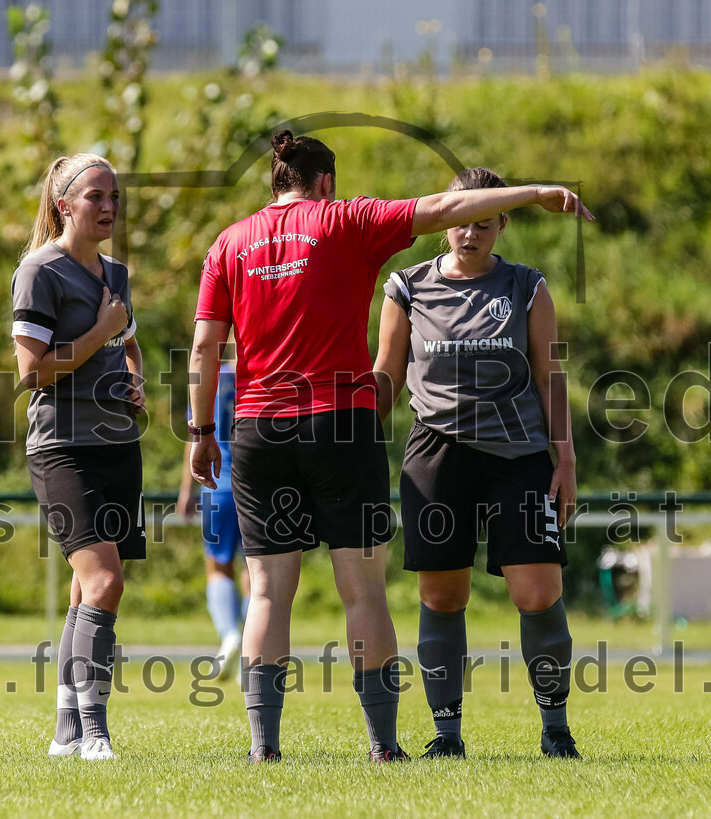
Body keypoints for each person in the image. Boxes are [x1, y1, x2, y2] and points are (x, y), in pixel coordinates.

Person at [189, 131, 592, 764]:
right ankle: (399, 741)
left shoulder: (230, 242)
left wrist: (199, 431)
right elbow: (432, 220)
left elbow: (205, 347)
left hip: (265, 427)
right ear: (326, 182)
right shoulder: (355, 231)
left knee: (268, 589)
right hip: (363, 431)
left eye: (489, 221)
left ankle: (265, 748)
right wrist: (541, 192)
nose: (470, 229)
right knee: (378, 591)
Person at [374, 167, 585, 761]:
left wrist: (563, 456)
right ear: (446, 223)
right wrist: (359, 438)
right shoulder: (406, 287)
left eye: (483, 224)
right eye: (460, 223)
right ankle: (446, 734)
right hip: (436, 457)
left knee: (538, 592)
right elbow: (386, 373)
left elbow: (550, 374)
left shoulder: (526, 286)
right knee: (443, 597)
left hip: (519, 457)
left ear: (502, 224)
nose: (469, 235)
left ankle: (556, 728)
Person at [10, 152, 146, 762]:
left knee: (82, 592)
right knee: (104, 583)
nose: (109, 207)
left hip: (118, 446)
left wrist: (135, 379)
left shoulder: (116, 273)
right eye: (96, 197)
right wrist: (99, 333)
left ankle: (66, 731)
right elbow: (32, 373)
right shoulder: (40, 271)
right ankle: (95, 730)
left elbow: (129, 341)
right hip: (63, 449)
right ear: (63, 204)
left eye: (114, 196)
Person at [178, 357, 250, 681]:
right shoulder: (257, 369)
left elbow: (195, 437)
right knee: (256, 568)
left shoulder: (207, 375)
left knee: (218, 566)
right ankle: (252, 647)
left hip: (216, 482)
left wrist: (186, 489)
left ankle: (229, 635)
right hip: (256, 478)